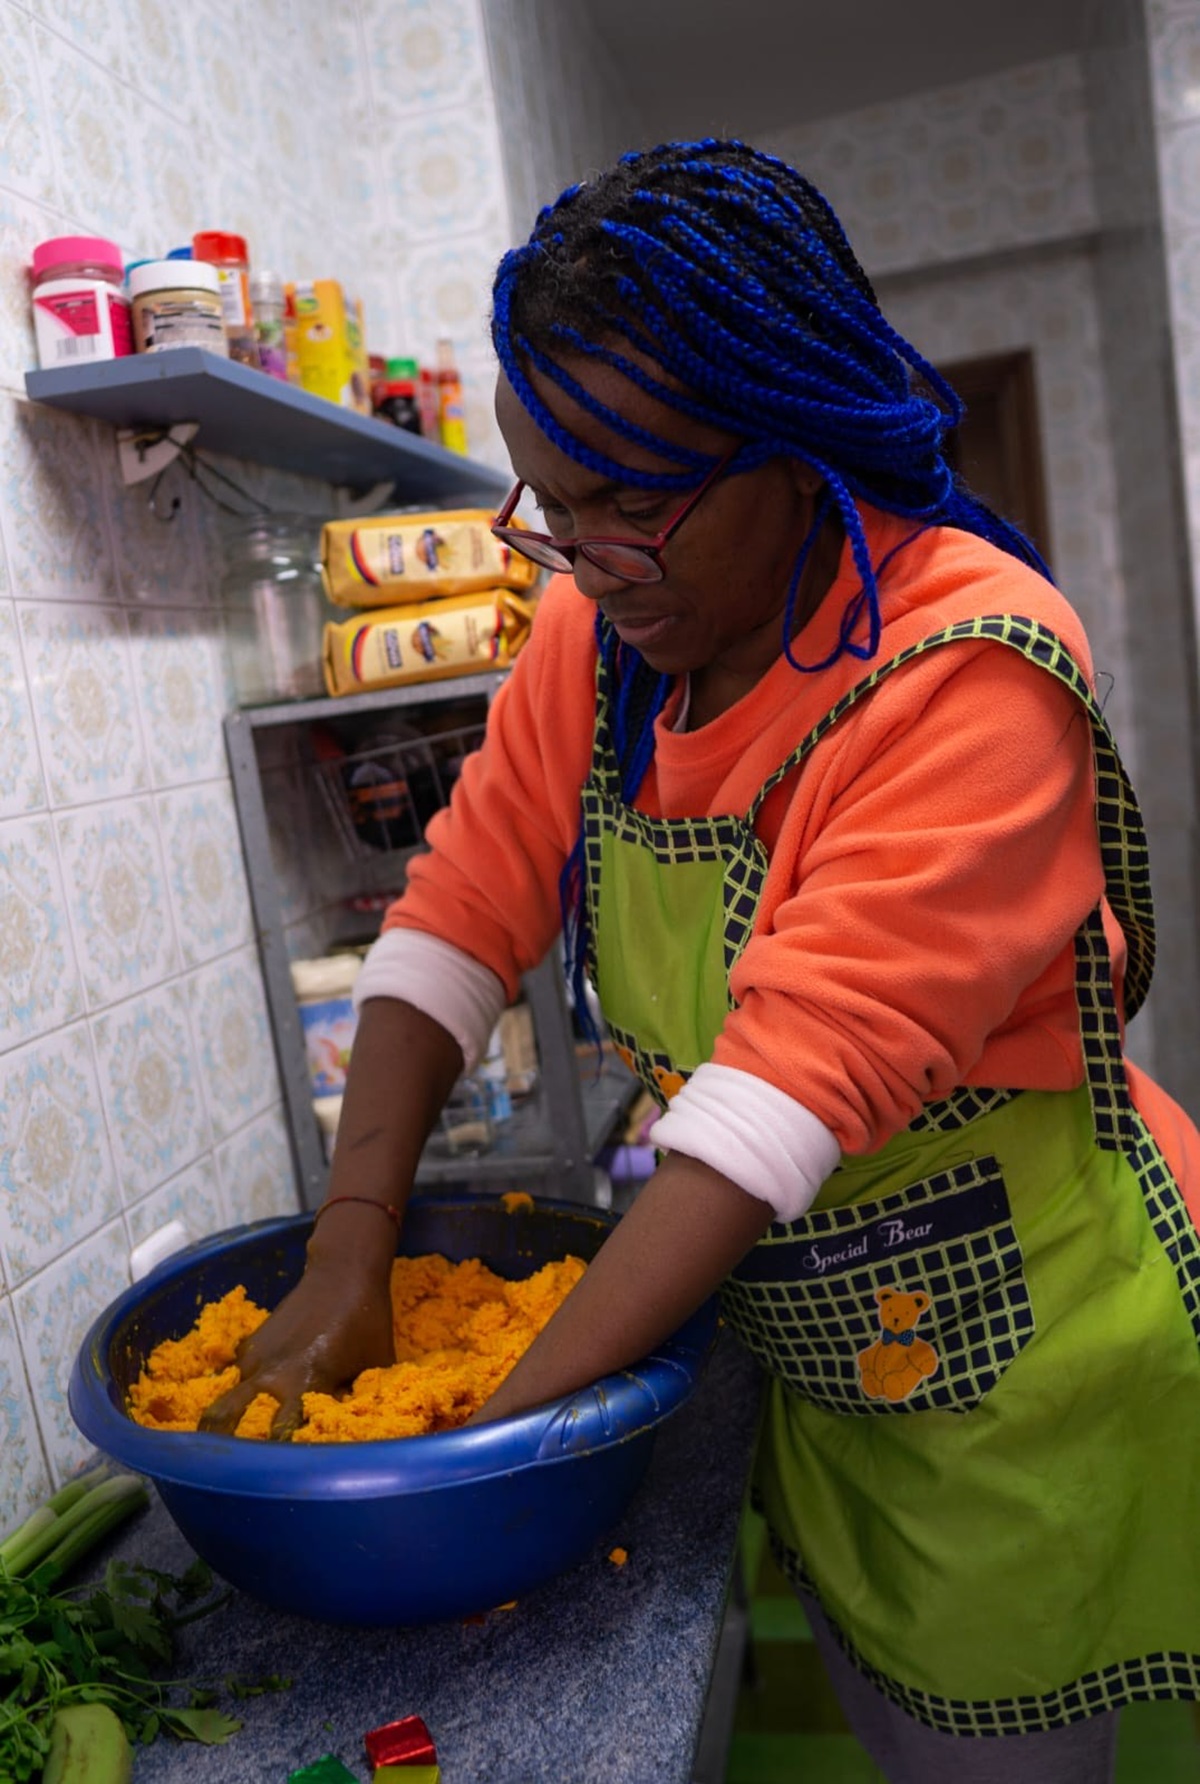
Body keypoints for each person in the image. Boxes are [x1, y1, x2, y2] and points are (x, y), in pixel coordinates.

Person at [204, 140, 1200, 1782]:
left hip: (1024, 1368)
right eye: (557, 504)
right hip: (831, 1332)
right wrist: (349, 1248)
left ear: (795, 451)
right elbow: (455, 916)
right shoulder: (603, 642)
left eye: (636, 504)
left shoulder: (970, 675)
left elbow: (776, 1101)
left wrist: (477, 1427)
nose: (589, 559)